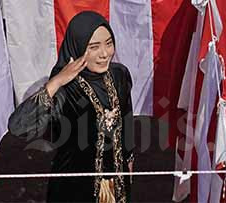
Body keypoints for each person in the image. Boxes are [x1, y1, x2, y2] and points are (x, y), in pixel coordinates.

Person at [9, 11, 134, 202]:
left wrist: (129, 163)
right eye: (94, 47)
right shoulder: (66, 88)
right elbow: (19, 127)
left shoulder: (119, 75)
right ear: (77, 47)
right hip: (74, 190)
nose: (104, 54)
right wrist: (57, 82)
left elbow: (127, 120)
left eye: (109, 43)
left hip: (118, 187)